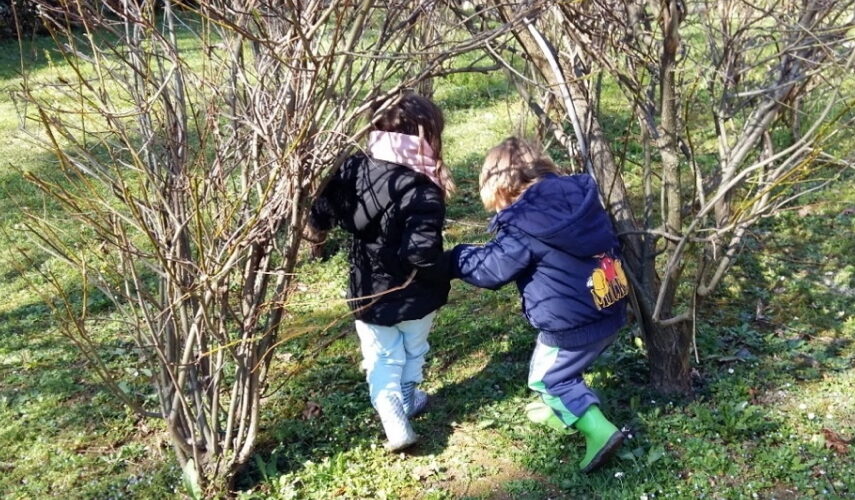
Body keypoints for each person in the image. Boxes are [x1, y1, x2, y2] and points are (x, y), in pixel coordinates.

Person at [447, 137, 628, 472]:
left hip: (572, 320)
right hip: (610, 303)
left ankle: (599, 430)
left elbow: (492, 269)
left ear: (500, 188)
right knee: (563, 365)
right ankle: (559, 408)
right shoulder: (580, 197)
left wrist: (456, 258)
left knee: (548, 379)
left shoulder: (524, 221)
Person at [308, 93, 454, 451]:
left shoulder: (350, 170)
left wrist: (316, 231)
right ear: (426, 135)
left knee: (381, 356)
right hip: (419, 294)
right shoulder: (421, 186)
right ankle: (406, 397)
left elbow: (320, 212)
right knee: (414, 347)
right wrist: (450, 268)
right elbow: (421, 253)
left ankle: (394, 412)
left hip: (368, 292)